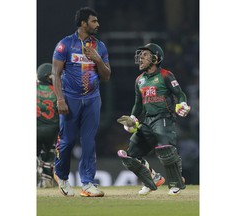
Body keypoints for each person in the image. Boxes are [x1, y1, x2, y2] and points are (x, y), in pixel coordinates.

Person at [52, 7, 111, 197]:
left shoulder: (100, 46)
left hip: (92, 99)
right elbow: (56, 74)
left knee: (88, 142)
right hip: (70, 98)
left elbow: (107, 76)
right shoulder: (65, 44)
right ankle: (61, 176)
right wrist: (60, 99)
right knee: (67, 142)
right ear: (83, 23)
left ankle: (87, 183)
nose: (97, 24)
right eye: (94, 21)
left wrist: (98, 60)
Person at [117, 43, 190, 196]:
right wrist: (131, 118)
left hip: (164, 118)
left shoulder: (165, 75)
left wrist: (182, 103)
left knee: (166, 149)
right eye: (140, 55)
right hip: (147, 121)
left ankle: (176, 182)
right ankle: (152, 179)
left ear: (155, 59)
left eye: (145, 55)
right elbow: (138, 104)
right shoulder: (139, 80)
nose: (140, 58)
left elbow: (180, 93)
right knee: (131, 155)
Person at [37, 63, 60, 188]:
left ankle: (37, 168)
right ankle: (46, 178)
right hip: (52, 129)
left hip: (36, 128)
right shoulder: (57, 90)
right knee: (49, 152)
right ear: (47, 77)